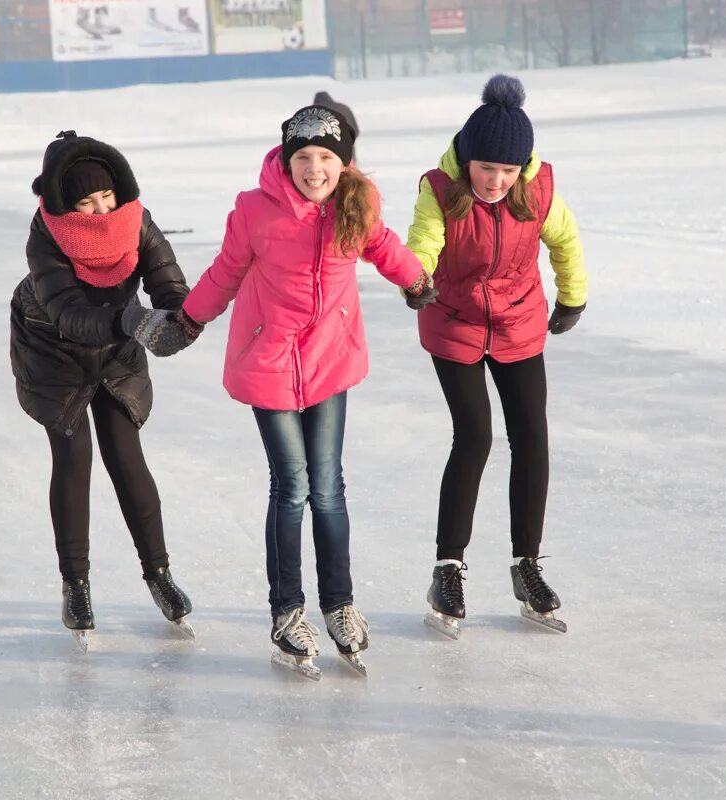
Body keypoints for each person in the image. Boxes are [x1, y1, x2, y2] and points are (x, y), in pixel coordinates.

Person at [178, 99, 437, 677]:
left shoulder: (356, 204)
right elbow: (225, 270)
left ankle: (340, 604)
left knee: (329, 488)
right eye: (303, 157)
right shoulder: (254, 211)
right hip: (268, 360)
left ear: (344, 163)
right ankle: (287, 610)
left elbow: (385, 246)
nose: (314, 168)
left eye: (326, 157)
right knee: (291, 485)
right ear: (286, 160)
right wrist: (191, 318)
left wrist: (417, 279)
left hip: (329, 362)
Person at [405, 75, 588, 637]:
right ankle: (448, 567)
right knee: (476, 436)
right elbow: (423, 239)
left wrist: (572, 297)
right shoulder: (440, 189)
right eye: (488, 170)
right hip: (454, 323)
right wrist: (417, 277)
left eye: (508, 172)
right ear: (469, 161)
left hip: (519, 323)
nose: (497, 181)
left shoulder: (539, 191)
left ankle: (527, 564)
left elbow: (566, 242)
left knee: (531, 434)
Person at [10, 130, 201, 649]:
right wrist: (134, 321)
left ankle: (158, 574)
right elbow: (70, 315)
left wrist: (182, 320)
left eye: (106, 197)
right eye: (86, 202)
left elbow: (168, 281)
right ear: (63, 205)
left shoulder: (134, 218)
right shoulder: (45, 235)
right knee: (73, 460)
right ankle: (76, 585)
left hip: (118, 341)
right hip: (53, 349)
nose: (100, 211)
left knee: (127, 456)